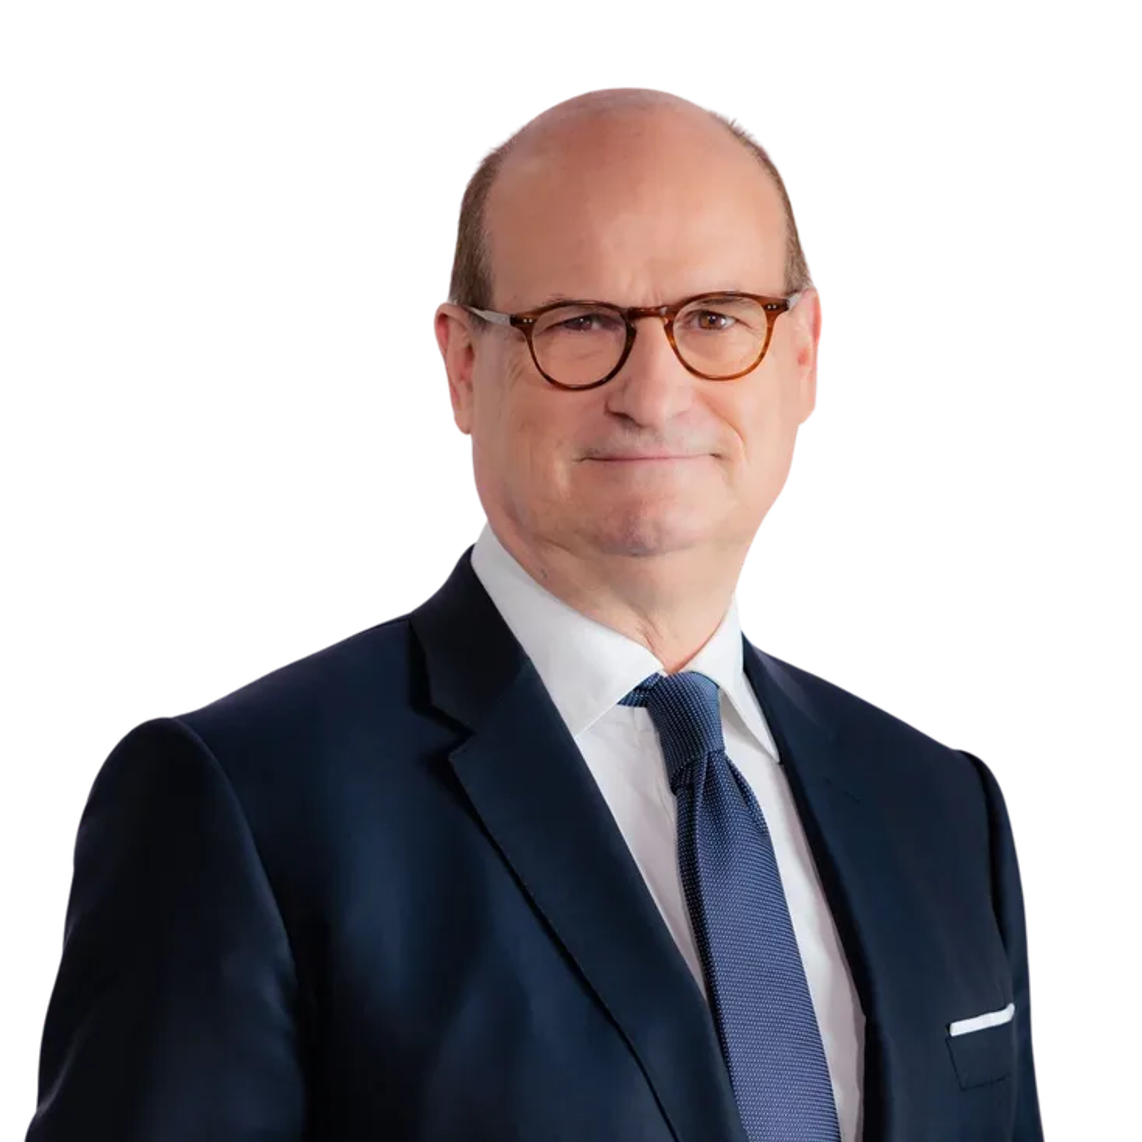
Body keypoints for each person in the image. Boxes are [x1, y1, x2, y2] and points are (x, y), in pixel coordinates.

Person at [27, 87, 1042, 1141]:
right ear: (462, 366)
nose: (653, 393)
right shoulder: (241, 803)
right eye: (580, 323)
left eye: (714, 318)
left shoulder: (941, 807)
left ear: (804, 355)